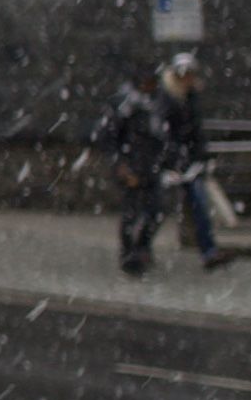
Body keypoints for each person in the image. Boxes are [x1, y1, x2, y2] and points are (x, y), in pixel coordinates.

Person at [91, 53, 221, 275]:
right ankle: (130, 252)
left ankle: (140, 249)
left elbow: (165, 136)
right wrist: (121, 164)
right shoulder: (127, 104)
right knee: (133, 211)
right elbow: (110, 136)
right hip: (133, 164)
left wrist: (172, 160)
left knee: (155, 210)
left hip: (151, 165)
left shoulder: (156, 103)